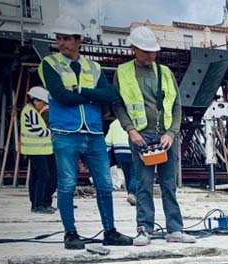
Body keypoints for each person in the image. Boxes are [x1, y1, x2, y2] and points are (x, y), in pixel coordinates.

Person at [39, 15, 134, 249]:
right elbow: (61, 96)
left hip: (93, 133)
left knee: (104, 184)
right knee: (67, 184)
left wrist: (81, 91)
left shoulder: (93, 67)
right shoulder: (50, 64)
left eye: (67, 39)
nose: (62, 43)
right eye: (59, 39)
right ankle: (70, 234)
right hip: (66, 132)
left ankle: (110, 231)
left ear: (79, 41)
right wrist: (92, 96)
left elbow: (110, 95)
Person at [112, 26, 194, 246]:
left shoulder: (165, 73)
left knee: (169, 185)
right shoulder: (123, 72)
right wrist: (131, 130)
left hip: (165, 137)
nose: (151, 56)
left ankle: (175, 229)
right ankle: (144, 229)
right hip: (141, 137)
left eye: (153, 52)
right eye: (146, 51)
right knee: (143, 185)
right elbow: (117, 104)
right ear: (134, 49)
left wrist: (172, 133)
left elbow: (176, 106)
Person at [20, 86, 56, 214]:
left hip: (42, 150)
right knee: (43, 176)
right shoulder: (30, 112)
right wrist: (52, 131)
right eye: (43, 102)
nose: (44, 105)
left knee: (38, 176)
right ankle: (38, 205)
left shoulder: (32, 111)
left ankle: (41, 203)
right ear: (35, 100)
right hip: (36, 150)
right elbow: (38, 131)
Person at [105, 119, 136, 207]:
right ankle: (133, 193)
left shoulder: (114, 123)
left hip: (119, 153)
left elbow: (107, 142)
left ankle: (130, 193)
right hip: (133, 150)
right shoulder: (134, 121)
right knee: (135, 173)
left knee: (127, 174)